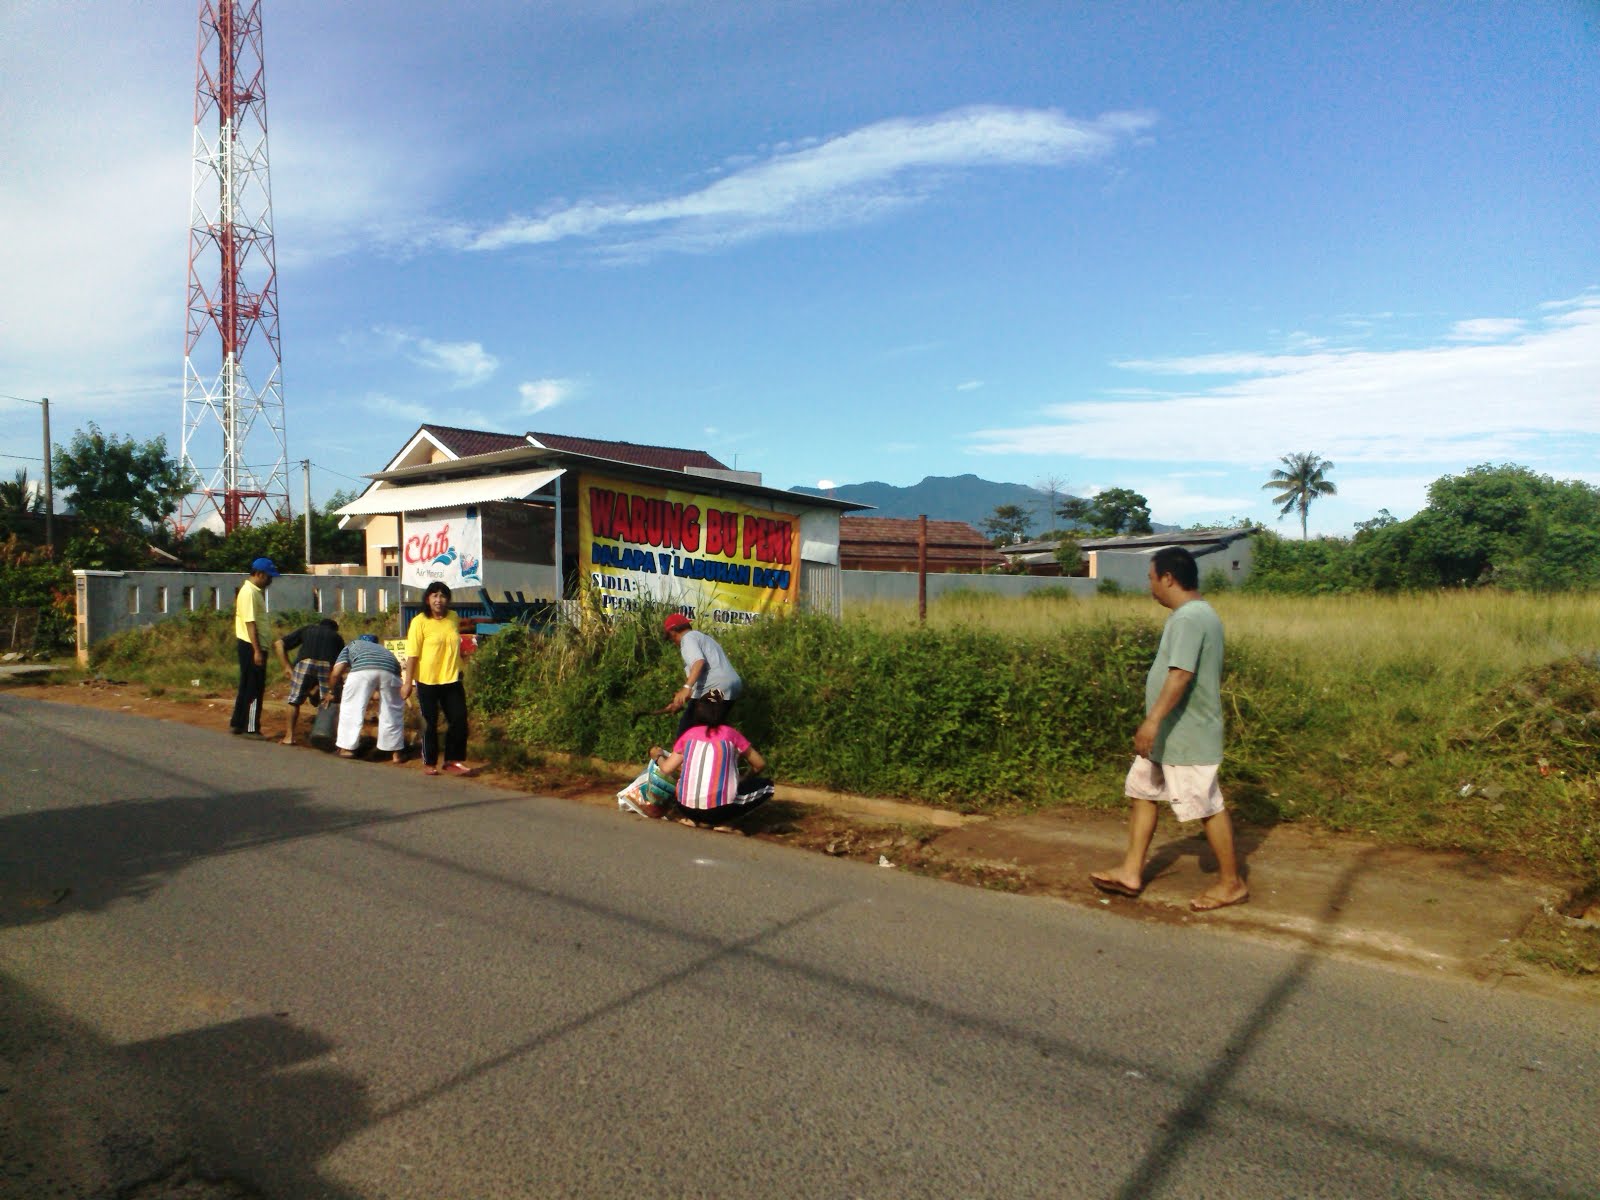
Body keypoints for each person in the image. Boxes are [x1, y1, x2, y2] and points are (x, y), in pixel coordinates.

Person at [1091, 546, 1249, 912]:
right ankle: (1131, 871)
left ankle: (1231, 882)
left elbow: (1180, 673)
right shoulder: (1193, 614)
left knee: (1205, 804)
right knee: (1143, 792)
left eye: (1151, 579)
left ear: (1168, 578)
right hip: (1169, 733)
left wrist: (1152, 721)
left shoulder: (1190, 618)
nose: (1150, 587)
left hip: (1185, 733)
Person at [647, 693, 772, 826]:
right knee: (768, 786)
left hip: (686, 809)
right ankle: (725, 823)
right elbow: (759, 764)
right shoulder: (731, 734)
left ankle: (694, 819)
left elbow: (666, 769)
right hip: (719, 811)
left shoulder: (689, 735)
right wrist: (744, 778)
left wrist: (658, 756)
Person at [401, 581, 474, 776]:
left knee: (459, 719)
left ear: (447, 600)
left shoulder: (453, 618)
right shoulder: (419, 621)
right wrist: (407, 682)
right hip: (427, 680)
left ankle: (453, 760)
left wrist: (464, 659)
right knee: (429, 722)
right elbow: (412, 654)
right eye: (435, 596)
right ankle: (429, 761)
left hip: (451, 678)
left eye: (442, 596)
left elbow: (458, 644)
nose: (439, 600)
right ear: (428, 599)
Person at [328, 634, 406, 762]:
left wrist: (330, 691)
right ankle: (396, 754)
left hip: (362, 671)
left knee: (351, 709)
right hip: (391, 671)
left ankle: (347, 749)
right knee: (392, 712)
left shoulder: (352, 645)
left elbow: (336, 673)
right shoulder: (384, 651)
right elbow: (378, 681)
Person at [662, 612, 742, 736]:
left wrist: (686, 688)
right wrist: (679, 701)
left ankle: (684, 755)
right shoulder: (703, 638)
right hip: (731, 687)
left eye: (670, 637)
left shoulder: (687, 639)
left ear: (672, 632)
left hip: (714, 687)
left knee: (686, 734)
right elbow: (696, 680)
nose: (672, 641)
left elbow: (699, 662)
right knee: (712, 733)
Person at [274, 617, 344, 745]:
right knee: (327, 701)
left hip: (304, 662)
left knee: (294, 700)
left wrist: (286, 666)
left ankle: (289, 737)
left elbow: (279, 644)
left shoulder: (308, 629)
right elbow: (340, 665)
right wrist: (332, 689)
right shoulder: (337, 637)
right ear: (335, 629)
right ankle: (324, 733)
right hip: (327, 665)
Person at [229, 556, 278, 736]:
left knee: (246, 685)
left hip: (250, 645)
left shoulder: (252, 591)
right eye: (268, 576)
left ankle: (238, 722)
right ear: (259, 574)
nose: (270, 581)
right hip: (251, 646)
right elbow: (250, 623)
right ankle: (251, 727)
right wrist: (257, 651)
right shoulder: (249, 592)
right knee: (255, 688)